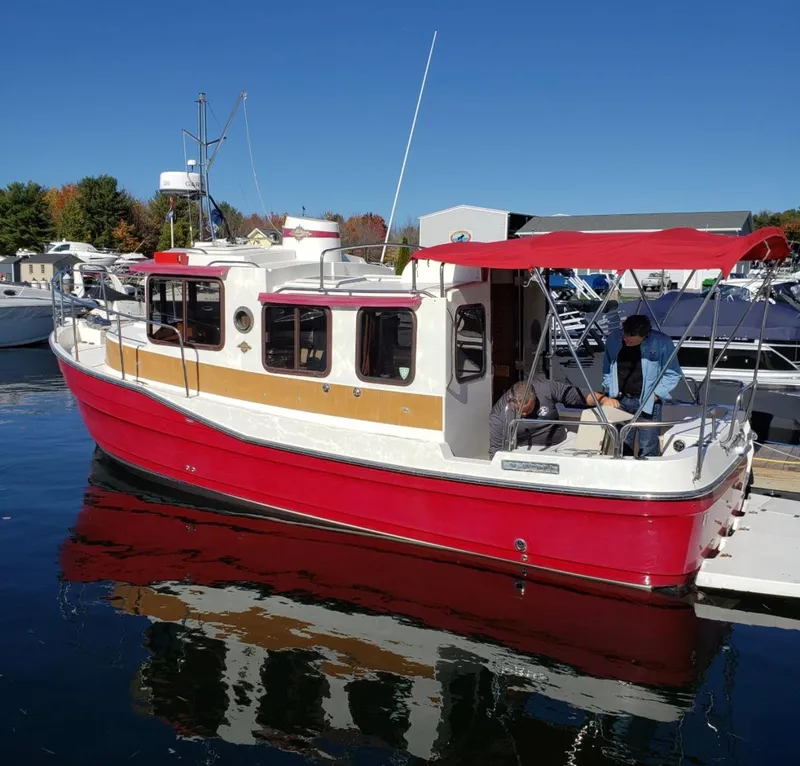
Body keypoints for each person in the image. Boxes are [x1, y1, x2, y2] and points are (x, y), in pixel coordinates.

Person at [597, 314, 681, 458]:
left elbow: (672, 374)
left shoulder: (662, 342)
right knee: (621, 446)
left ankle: (648, 477)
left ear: (645, 336)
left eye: (631, 341)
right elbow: (607, 367)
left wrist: (656, 395)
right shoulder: (613, 339)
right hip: (620, 401)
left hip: (648, 403)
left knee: (648, 447)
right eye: (625, 337)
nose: (626, 341)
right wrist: (610, 391)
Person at [489, 378, 603, 458]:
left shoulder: (545, 388)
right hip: (529, 449)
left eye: (527, 410)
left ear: (535, 398)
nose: (523, 415)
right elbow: (496, 453)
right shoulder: (499, 415)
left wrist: (603, 400)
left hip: (562, 441)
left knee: (594, 454)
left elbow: (576, 395)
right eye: (519, 411)